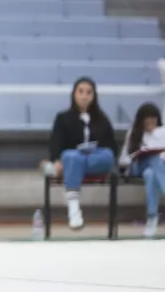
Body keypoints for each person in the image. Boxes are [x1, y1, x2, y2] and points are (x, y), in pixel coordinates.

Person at [41, 77, 118, 230]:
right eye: (81, 92)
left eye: (89, 92)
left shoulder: (102, 119)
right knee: (71, 156)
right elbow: (56, 142)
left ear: (94, 96)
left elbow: (111, 147)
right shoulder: (63, 118)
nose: (84, 96)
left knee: (107, 156)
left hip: (96, 159)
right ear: (74, 94)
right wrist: (56, 159)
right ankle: (74, 209)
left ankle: (69, 170)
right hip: (73, 156)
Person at [119, 102, 165, 238]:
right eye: (147, 118)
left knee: (151, 173)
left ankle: (151, 219)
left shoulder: (163, 132)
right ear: (141, 120)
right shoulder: (133, 132)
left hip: (156, 169)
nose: (151, 121)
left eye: (154, 118)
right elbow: (123, 159)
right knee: (153, 160)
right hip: (136, 167)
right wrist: (136, 155)